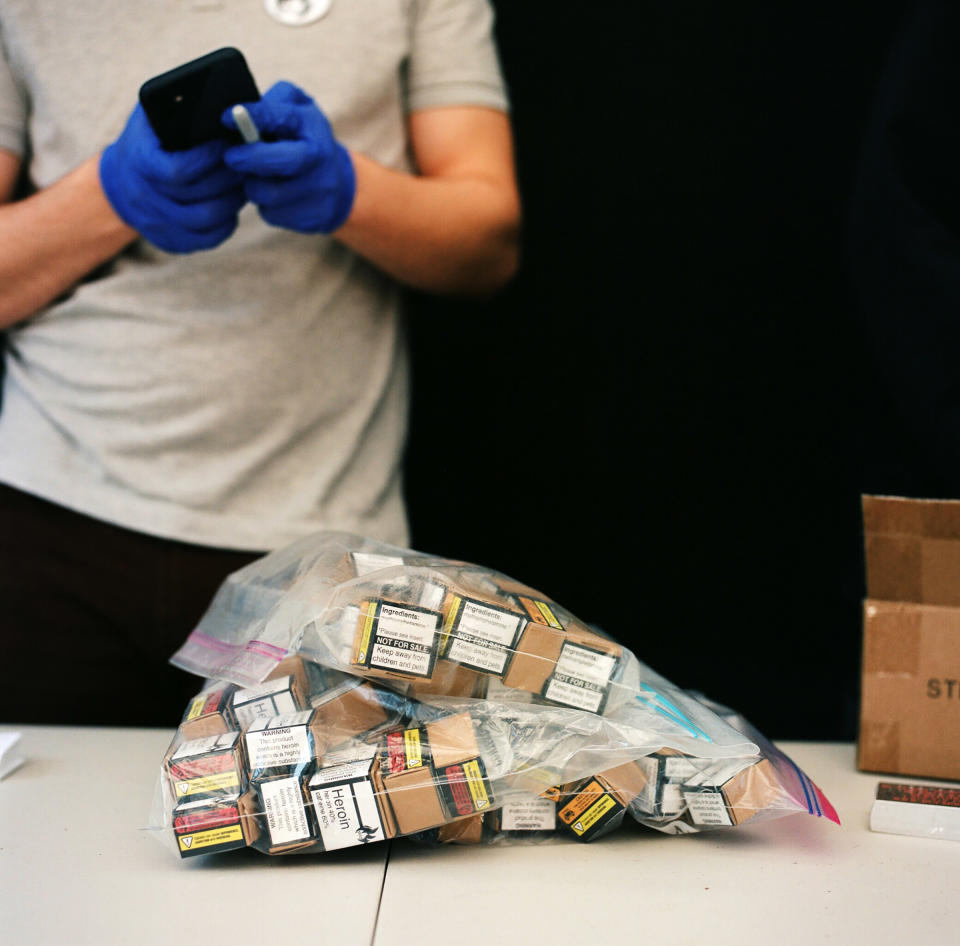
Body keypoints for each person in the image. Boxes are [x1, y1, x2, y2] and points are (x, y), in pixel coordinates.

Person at [0, 1, 520, 724]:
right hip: (50, 527)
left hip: (326, 549)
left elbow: (488, 246)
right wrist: (113, 192)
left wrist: (347, 189)